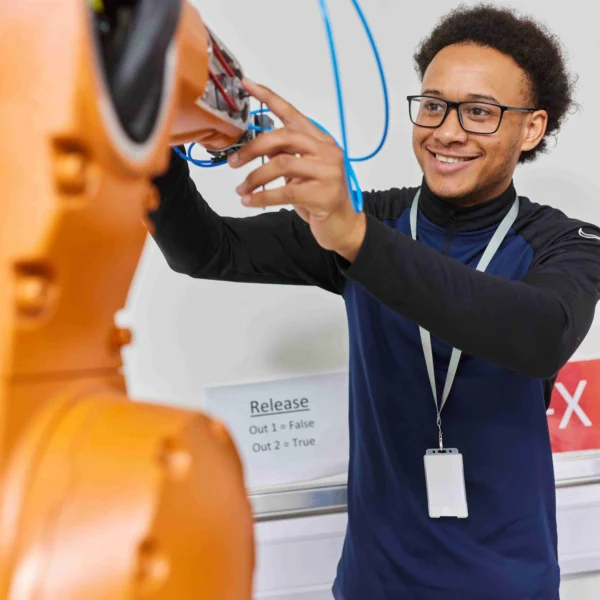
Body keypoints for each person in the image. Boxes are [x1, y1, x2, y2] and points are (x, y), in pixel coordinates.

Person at [149, 4, 600, 599]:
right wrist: (149, 136)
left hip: (508, 585)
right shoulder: (370, 220)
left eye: (480, 112)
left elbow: (539, 335)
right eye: (433, 104)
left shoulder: (567, 243)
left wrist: (356, 239)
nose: (447, 131)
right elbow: (207, 251)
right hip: (373, 584)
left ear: (532, 128)